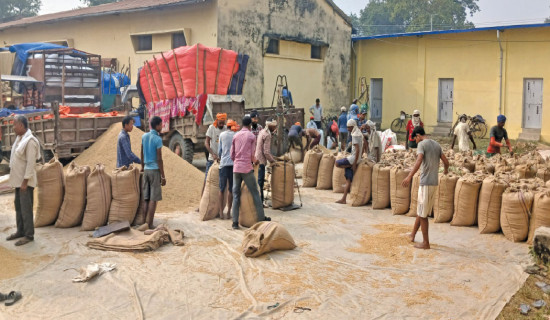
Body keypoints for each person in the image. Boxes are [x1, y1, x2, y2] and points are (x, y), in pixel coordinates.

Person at [402, 127, 449, 250]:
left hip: (426, 183)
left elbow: (419, 160)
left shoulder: (422, 144)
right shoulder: (437, 145)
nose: (416, 142)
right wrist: (445, 170)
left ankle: (425, 243)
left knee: (423, 215)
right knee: (421, 210)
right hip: (434, 183)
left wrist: (409, 176)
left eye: (415, 139)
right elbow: (446, 161)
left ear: (418, 135)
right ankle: (412, 235)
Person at [230, 116, 271, 229]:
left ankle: (234, 222)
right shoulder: (251, 136)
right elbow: (253, 155)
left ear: (242, 125)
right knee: (255, 193)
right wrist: (256, 162)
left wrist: (238, 162)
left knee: (236, 195)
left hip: (236, 169)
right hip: (247, 169)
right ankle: (261, 218)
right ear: (249, 126)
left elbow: (232, 155)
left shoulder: (235, 135)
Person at [6, 115, 40, 246]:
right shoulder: (20, 139)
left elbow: (31, 164)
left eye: (15, 125)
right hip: (18, 181)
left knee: (26, 208)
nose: (13, 127)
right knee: (19, 207)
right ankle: (20, 231)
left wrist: (25, 182)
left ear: (21, 125)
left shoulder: (30, 141)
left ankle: (29, 235)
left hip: (25, 182)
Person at [141, 116, 166, 229]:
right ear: (157, 126)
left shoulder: (144, 136)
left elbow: (141, 152)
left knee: (146, 198)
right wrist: (163, 176)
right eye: (161, 124)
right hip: (155, 170)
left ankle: (143, 223)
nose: (162, 126)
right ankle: (149, 224)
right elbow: (159, 158)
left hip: (146, 170)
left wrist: (142, 166)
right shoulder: (158, 139)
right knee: (153, 199)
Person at [335, 119, 363, 204]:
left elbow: (357, 149)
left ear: (352, 126)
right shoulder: (359, 134)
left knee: (336, 163)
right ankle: (344, 199)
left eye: (348, 127)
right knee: (348, 180)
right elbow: (364, 144)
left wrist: (354, 164)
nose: (347, 129)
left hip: (353, 160)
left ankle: (348, 166)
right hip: (357, 159)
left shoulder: (355, 135)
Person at [218, 120, 239, 220]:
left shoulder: (222, 135)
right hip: (233, 165)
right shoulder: (236, 135)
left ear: (227, 126)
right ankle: (229, 212)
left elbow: (219, 151)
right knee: (231, 189)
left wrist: (220, 157)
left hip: (223, 165)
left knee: (222, 189)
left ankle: (221, 212)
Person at [255, 119, 277, 204]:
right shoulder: (267, 135)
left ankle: (259, 200)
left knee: (258, 181)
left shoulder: (262, 131)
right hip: (261, 161)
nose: (275, 128)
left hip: (257, 158)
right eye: (274, 126)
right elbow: (266, 152)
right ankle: (260, 202)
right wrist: (272, 161)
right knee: (260, 182)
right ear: (270, 126)